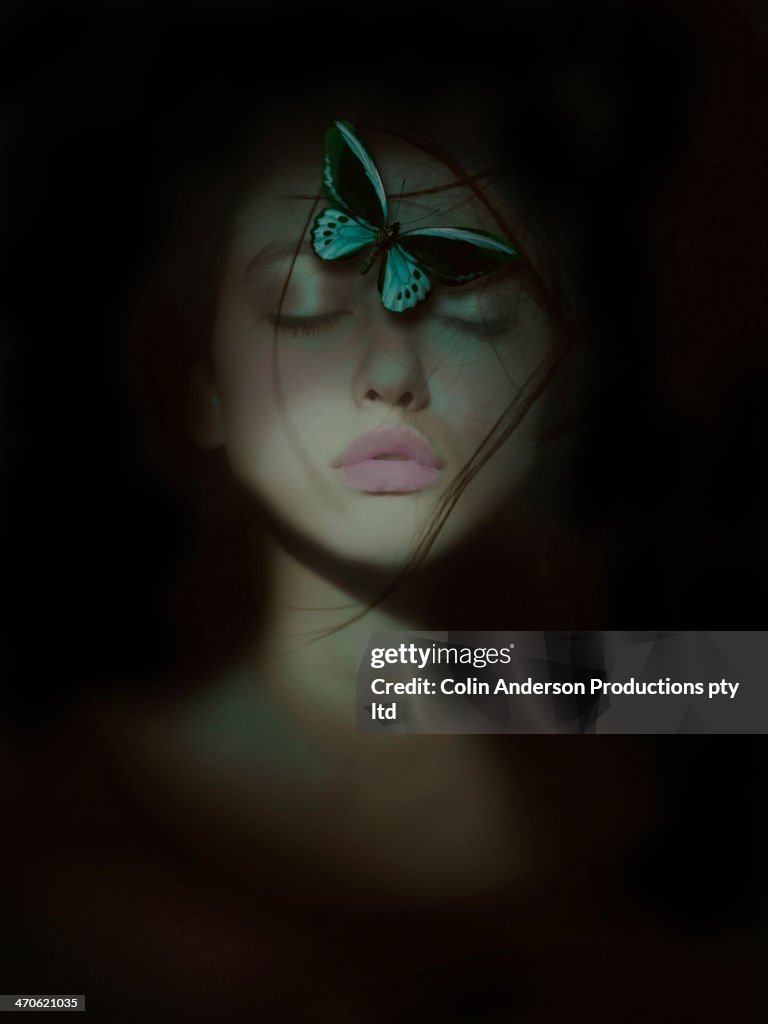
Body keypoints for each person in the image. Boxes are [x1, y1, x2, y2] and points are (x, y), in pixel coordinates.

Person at [1, 2, 764, 1020]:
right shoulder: (62, 799)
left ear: (556, 379)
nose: (392, 371)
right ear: (203, 380)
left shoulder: (657, 712)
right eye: (306, 307)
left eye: (479, 310)